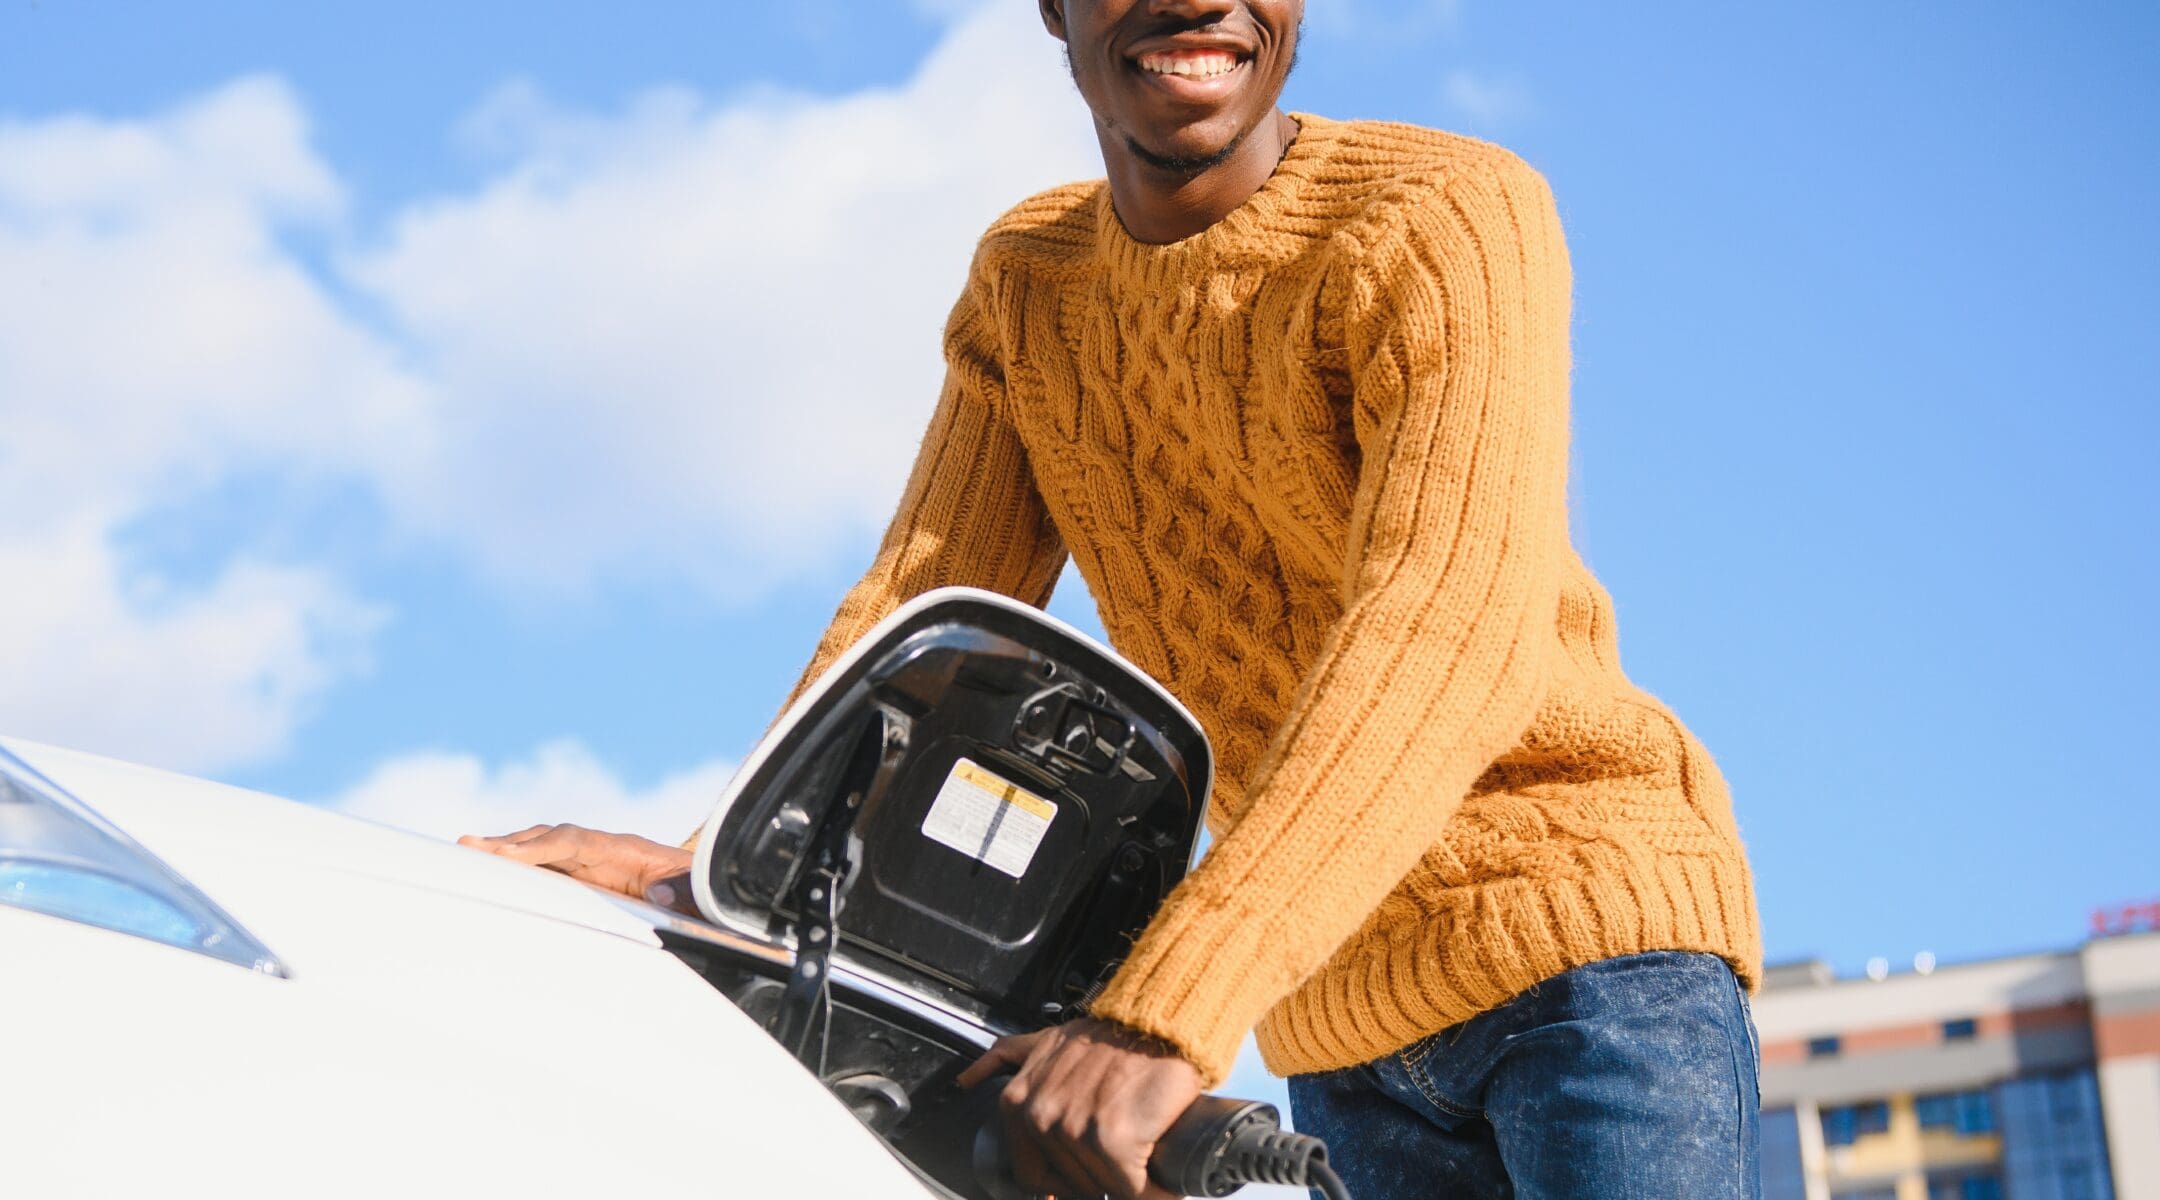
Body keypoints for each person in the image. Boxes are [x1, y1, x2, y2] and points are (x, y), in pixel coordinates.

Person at [463, 1, 1764, 1195]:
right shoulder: (1031, 283)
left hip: (1591, 954)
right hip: (1333, 1013)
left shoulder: (1445, 214)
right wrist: (735, 867)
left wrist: (1169, 1006)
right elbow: (925, 603)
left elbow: (1444, 626)